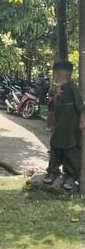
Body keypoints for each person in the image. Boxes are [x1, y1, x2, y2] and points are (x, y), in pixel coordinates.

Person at [44, 60, 84, 191]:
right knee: (55, 150)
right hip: (59, 128)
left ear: (60, 74)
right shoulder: (55, 89)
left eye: (55, 74)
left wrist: (82, 122)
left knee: (71, 153)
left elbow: (82, 108)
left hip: (71, 130)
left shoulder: (73, 89)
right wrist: (55, 95)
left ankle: (72, 177)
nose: (54, 77)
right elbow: (52, 107)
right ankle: (53, 172)